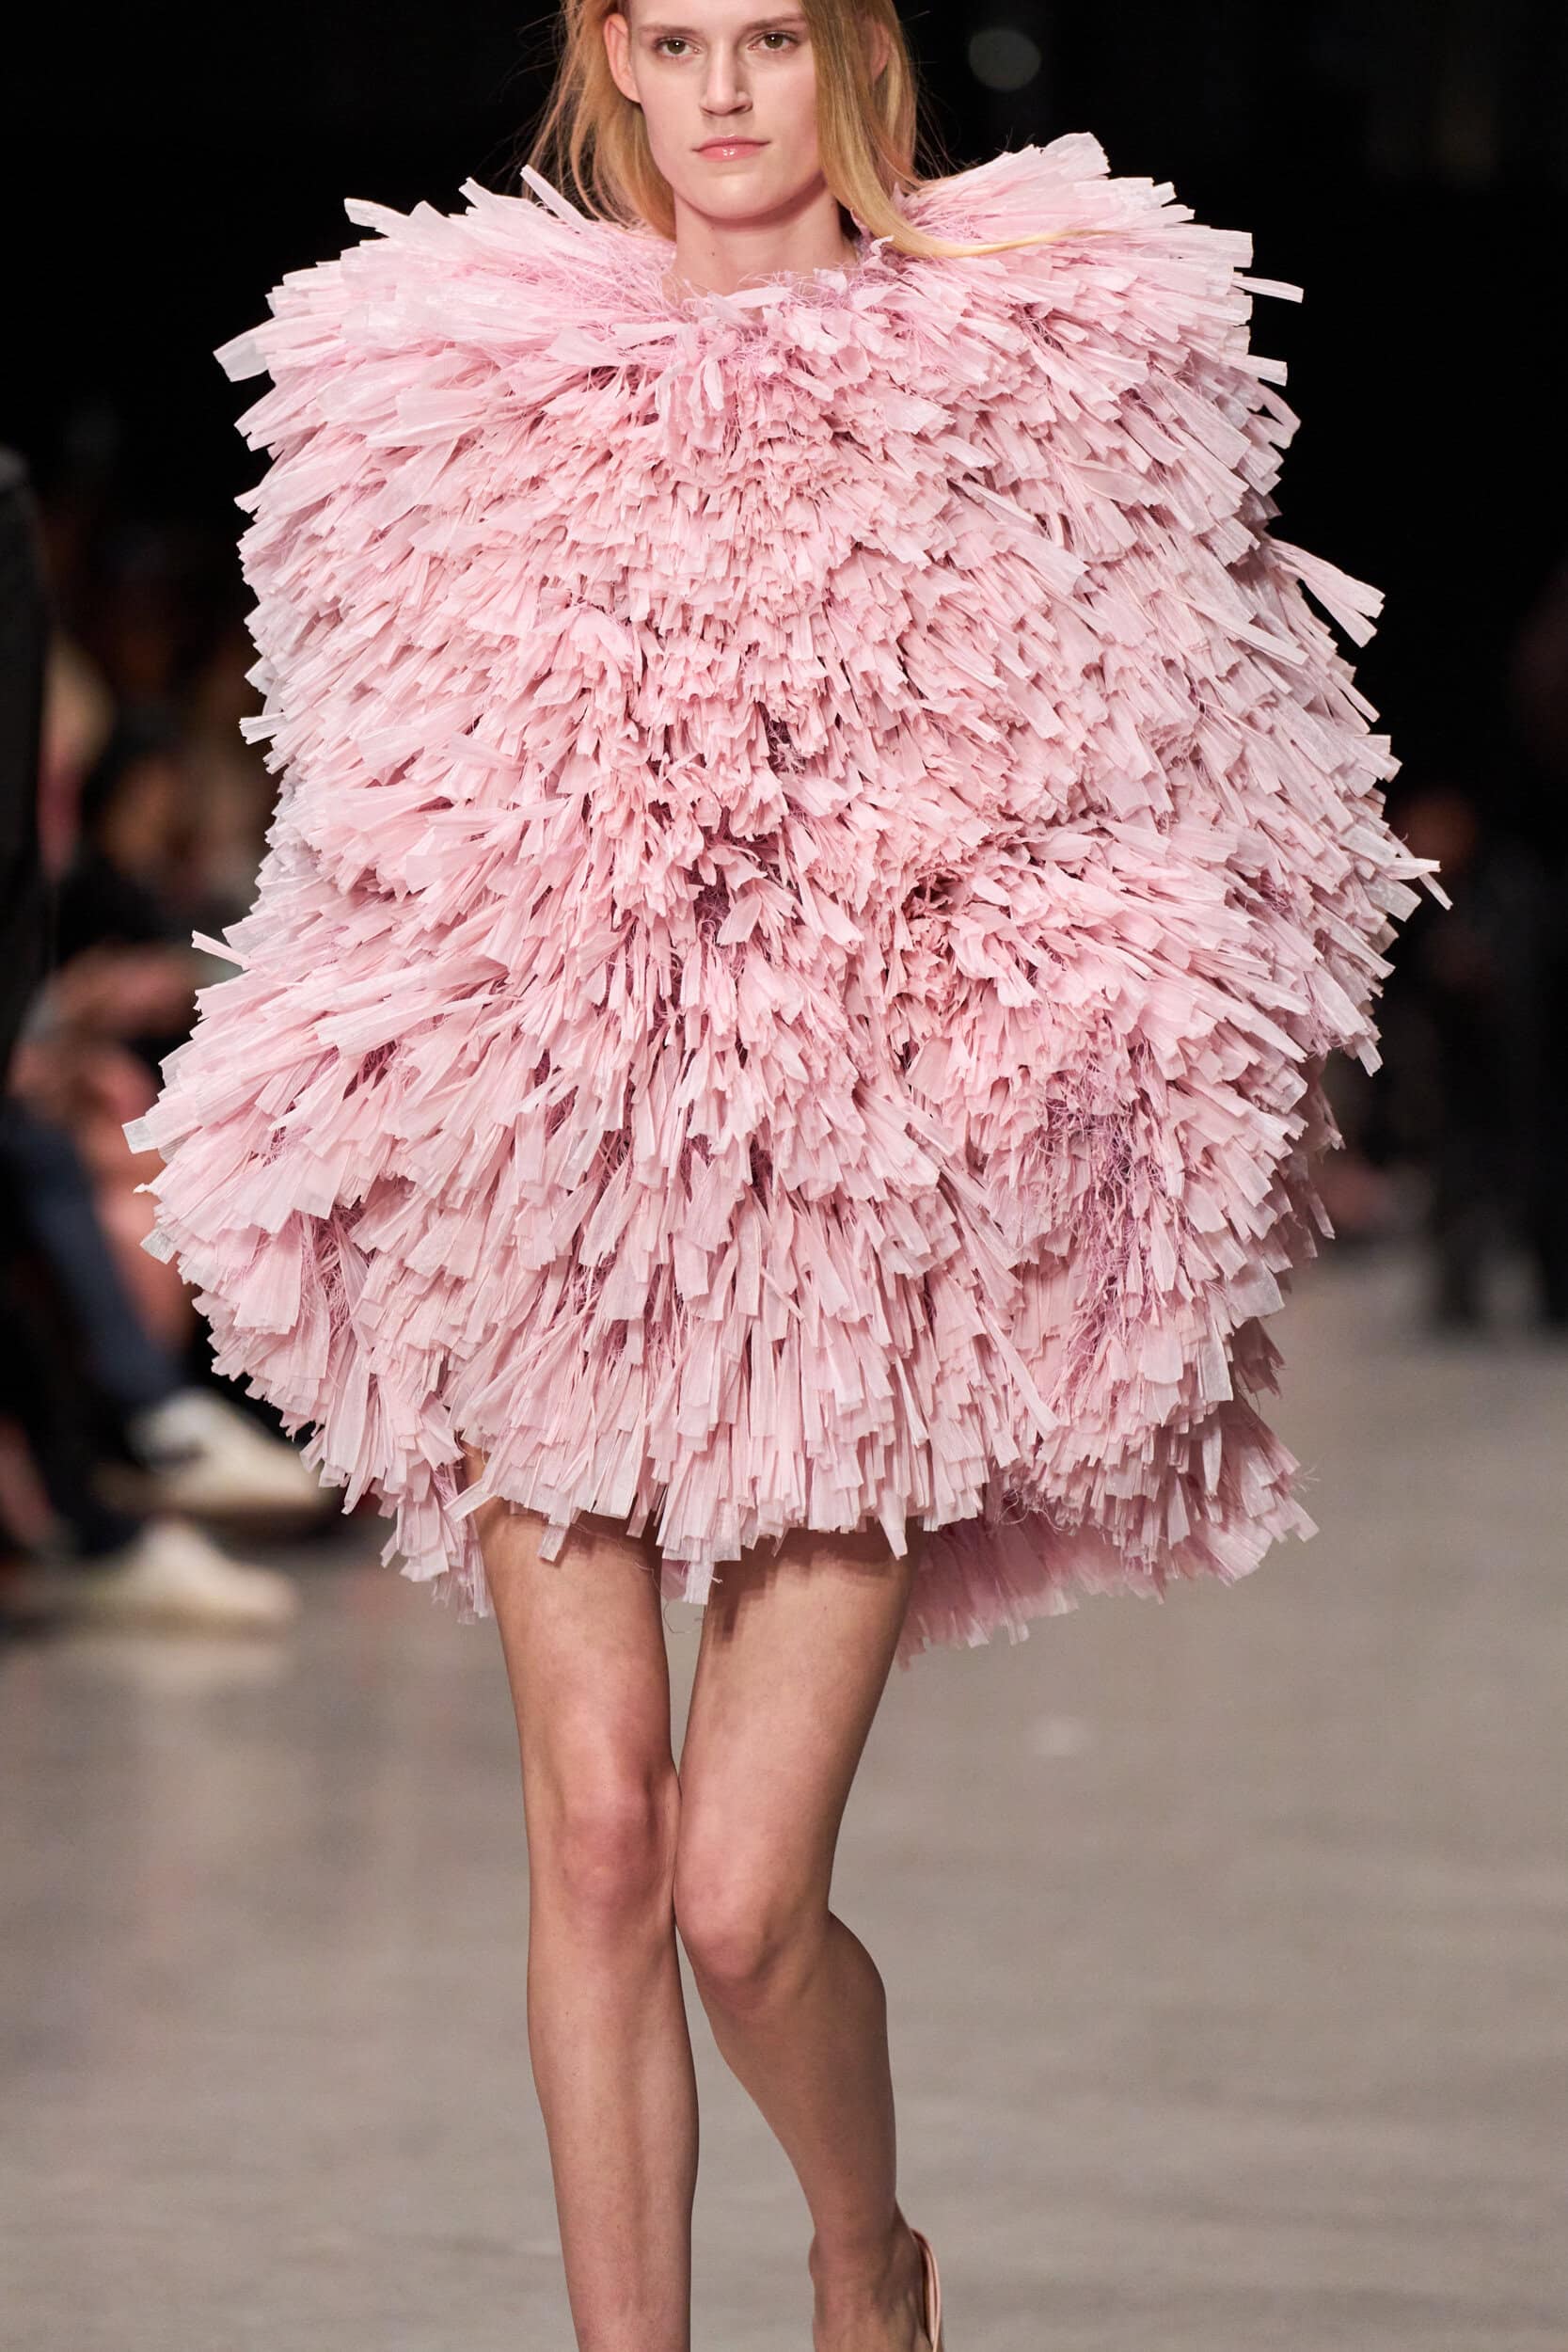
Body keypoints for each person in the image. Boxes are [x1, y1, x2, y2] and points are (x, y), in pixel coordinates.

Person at [125, 2, 1448, 2343]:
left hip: (868, 1225)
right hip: (546, 1184)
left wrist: (1112, 1113)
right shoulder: (471, 380)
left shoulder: (1036, 360)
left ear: (850, 51)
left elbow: (1218, 772)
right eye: (681, 38)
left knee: (741, 1897)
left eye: (772, 34)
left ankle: (864, 2247)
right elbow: (375, 811)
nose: (728, 92)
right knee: (599, 1830)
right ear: (613, 59)